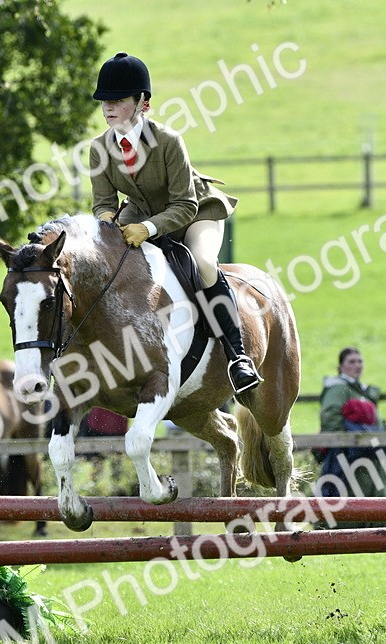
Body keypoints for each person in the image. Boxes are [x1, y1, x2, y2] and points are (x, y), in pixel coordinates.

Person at [88, 52, 261, 396]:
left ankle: (237, 356)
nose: (109, 107)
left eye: (119, 100)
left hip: (196, 213)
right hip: (140, 213)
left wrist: (148, 229)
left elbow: (185, 204)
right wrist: (107, 225)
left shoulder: (168, 141)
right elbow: (104, 204)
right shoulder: (99, 148)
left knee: (203, 263)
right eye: (105, 101)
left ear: (143, 104)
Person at [315, 347, 386, 507]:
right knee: (349, 506)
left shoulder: (362, 391)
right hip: (349, 457)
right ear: (340, 367)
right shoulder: (338, 389)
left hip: (369, 457)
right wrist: (348, 445)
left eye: (360, 361)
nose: (357, 365)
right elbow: (331, 419)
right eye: (351, 362)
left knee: (374, 506)